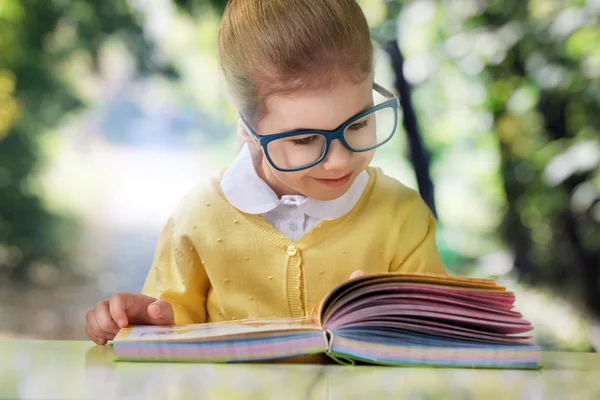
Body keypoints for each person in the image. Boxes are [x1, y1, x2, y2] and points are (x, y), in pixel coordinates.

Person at [85, 0, 446, 345]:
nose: (339, 160)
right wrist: (148, 327)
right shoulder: (197, 219)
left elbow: (443, 341)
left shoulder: (402, 216)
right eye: (305, 139)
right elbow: (168, 331)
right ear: (248, 130)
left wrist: (396, 327)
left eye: (359, 124)